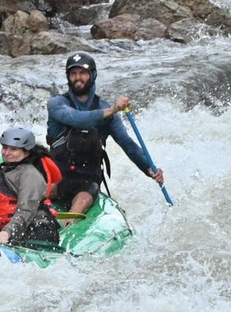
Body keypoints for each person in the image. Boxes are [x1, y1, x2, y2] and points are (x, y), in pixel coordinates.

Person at [46, 53, 165, 218]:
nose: (77, 78)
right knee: (37, 188)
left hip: (86, 181)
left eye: (83, 73)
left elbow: (127, 144)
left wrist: (148, 168)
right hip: (57, 177)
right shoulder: (57, 104)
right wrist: (112, 110)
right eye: (73, 74)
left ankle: (68, 227)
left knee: (84, 197)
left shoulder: (106, 109)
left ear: (93, 75)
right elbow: (77, 119)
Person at [0, 127, 62, 247]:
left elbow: (26, 210)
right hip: (13, 234)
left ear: (26, 152)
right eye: (5, 147)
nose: (7, 153)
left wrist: (7, 232)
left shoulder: (29, 174)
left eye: (13, 149)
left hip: (38, 233)